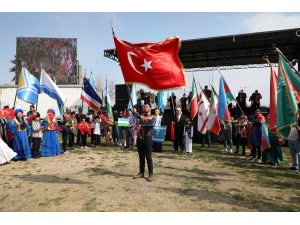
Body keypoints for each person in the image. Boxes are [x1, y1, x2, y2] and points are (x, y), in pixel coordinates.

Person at [133, 103, 156, 182]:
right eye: (144, 106)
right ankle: (141, 173)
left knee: (148, 157)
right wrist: (135, 112)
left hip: (147, 138)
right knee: (141, 157)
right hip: (140, 138)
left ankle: (151, 174)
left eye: (146, 106)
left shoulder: (153, 117)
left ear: (150, 108)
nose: (144, 108)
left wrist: (141, 125)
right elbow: (138, 118)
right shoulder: (141, 117)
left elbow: (150, 124)